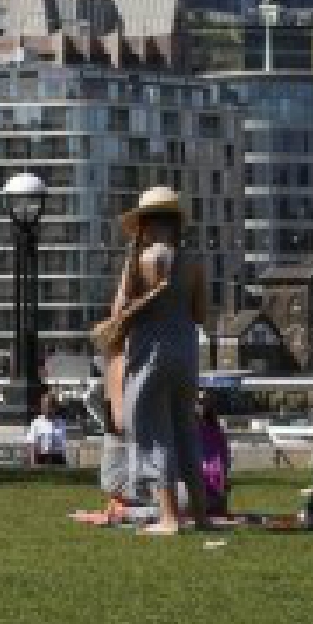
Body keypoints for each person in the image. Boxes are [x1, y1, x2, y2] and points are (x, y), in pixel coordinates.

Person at [99, 185, 210, 535]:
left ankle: (169, 517)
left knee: (152, 432)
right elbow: (201, 314)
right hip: (187, 354)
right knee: (185, 431)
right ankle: (202, 516)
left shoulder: (139, 260)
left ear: (144, 224)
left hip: (151, 355)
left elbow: (117, 314)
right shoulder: (193, 262)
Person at [197, 390, 231, 516]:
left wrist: (224, 480)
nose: (203, 405)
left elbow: (225, 460)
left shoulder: (216, 431)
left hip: (215, 491)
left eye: (206, 401)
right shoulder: (184, 431)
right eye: (199, 402)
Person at [28, 391, 68, 467]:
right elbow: (31, 443)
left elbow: (62, 444)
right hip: (42, 458)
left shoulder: (61, 422)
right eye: (44, 406)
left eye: (49, 406)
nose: (46, 409)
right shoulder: (36, 422)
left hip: (58, 458)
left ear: (55, 408)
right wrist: (33, 463)